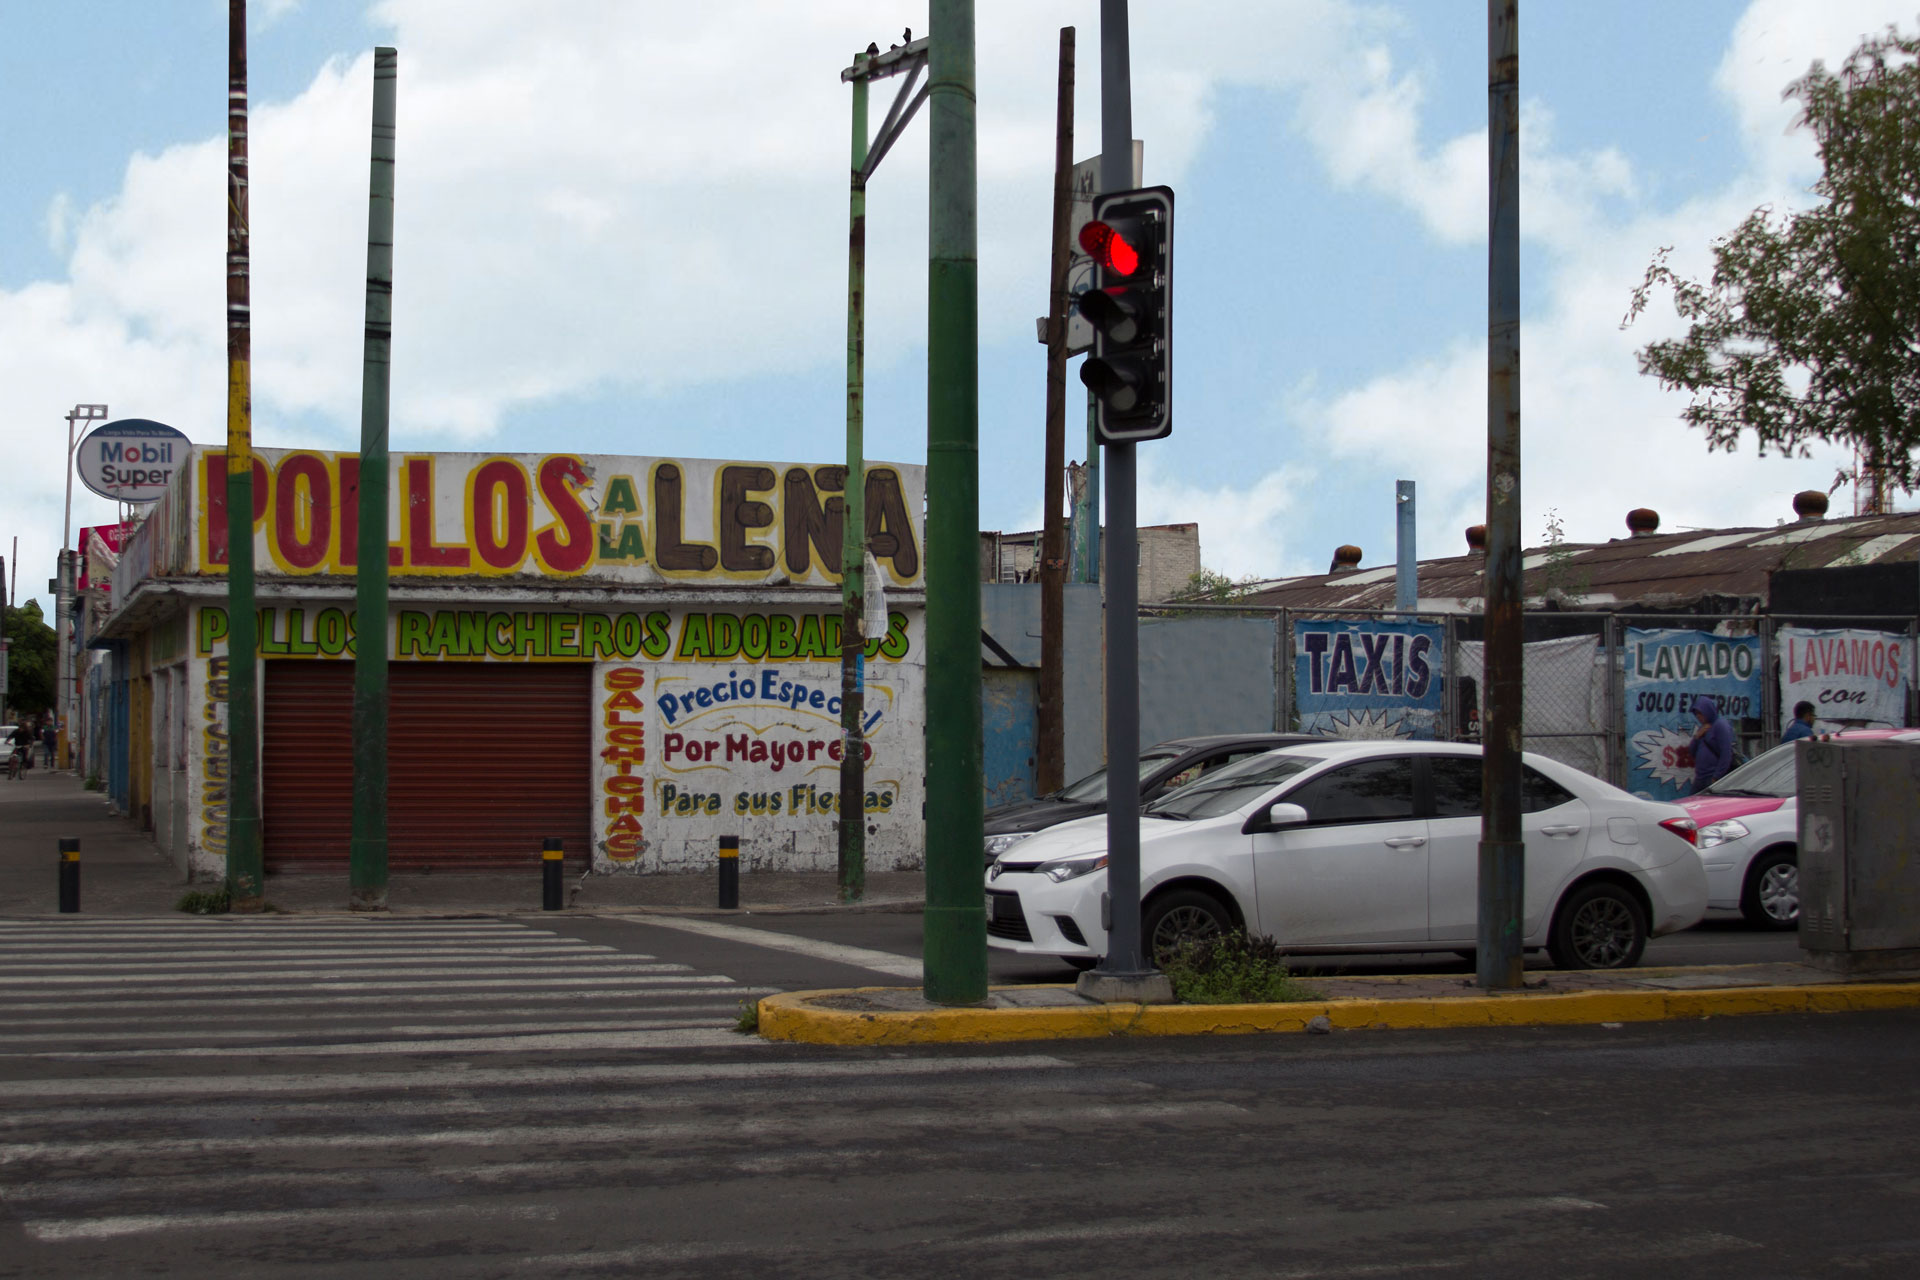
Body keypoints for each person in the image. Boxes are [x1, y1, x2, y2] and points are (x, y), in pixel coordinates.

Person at [1688, 695, 1735, 793]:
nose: (1698, 716)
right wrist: (1697, 737)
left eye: (1700, 713)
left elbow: (1726, 753)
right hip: (1700, 777)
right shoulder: (1703, 727)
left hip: (1712, 777)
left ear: (1708, 711)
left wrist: (1717, 776)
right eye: (1696, 714)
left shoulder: (1720, 725)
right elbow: (1692, 752)